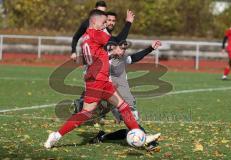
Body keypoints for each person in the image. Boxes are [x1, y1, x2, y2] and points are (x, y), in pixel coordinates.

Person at [44, 9, 159, 149]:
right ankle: (56, 136)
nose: (105, 25)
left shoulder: (86, 37)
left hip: (102, 80)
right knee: (86, 113)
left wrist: (112, 51)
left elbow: (105, 47)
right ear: (94, 22)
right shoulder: (96, 34)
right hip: (97, 81)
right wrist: (126, 27)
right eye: (103, 22)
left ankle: (142, 136)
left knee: (123, 106)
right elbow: (116, 40)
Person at [88, 39, 162, 151]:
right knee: (132, 122)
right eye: (121, 48)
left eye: (124, 49)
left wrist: (150, 48)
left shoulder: (121, 59)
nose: (123, 51)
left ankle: (102, 136)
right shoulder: (103, 59)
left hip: (124, 97)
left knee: (131, 129)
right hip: (114, 98)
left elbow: (134, 57)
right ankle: (149, 143)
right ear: (112, 47)